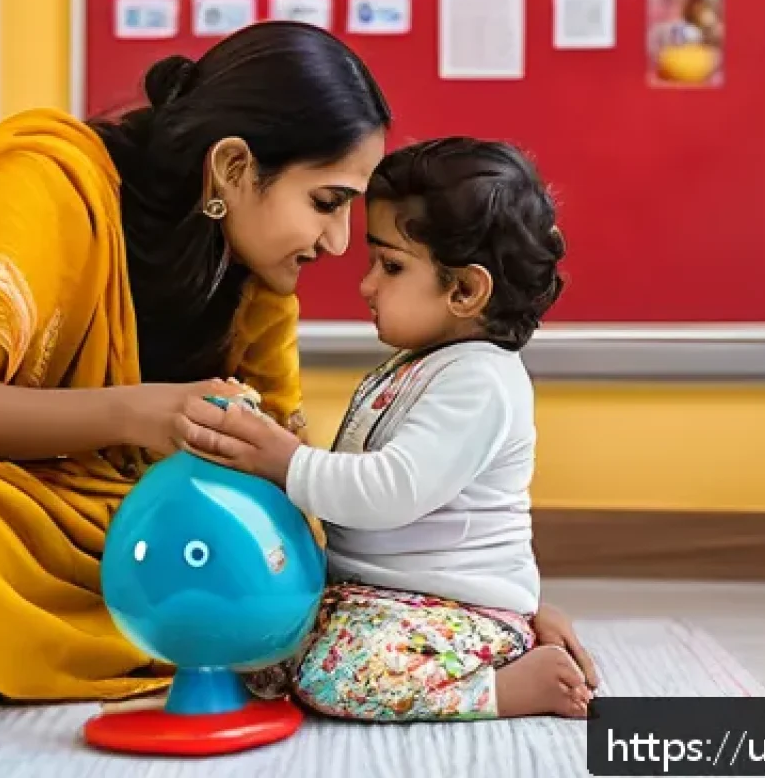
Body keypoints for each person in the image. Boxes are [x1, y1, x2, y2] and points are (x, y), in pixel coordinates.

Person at [0, 23, 592, 726]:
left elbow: (289, 484)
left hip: (128, 521)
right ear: (234, 170)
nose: (340, 247)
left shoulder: (263, 274)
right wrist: (139, 414)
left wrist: (484, 617)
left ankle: (32, 629)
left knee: (258, 559)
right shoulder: (49, 184)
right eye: (328, 202)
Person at [181, 137, 599, 721]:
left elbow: (389, 492)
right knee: (252, 647)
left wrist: (286, 461)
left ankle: (508, 686)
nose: (367, 285)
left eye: (392, 265)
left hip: (453, 607)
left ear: (464, 289)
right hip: (371, 596)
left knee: (335, 678)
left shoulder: (481, 380)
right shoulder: (415, 365)